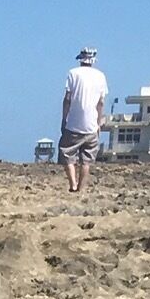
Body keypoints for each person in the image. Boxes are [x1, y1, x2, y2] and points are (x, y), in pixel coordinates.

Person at [59, 46, 107, 191]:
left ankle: (73, 184)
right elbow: (101, 102)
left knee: (67, 153)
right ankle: (81, 188)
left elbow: (67, 99)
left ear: (81, 59)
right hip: (91, 125)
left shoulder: (73, 73)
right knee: (86, 160)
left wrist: (64, 118)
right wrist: (99, 122)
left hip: (74, 123)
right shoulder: (100, 76)